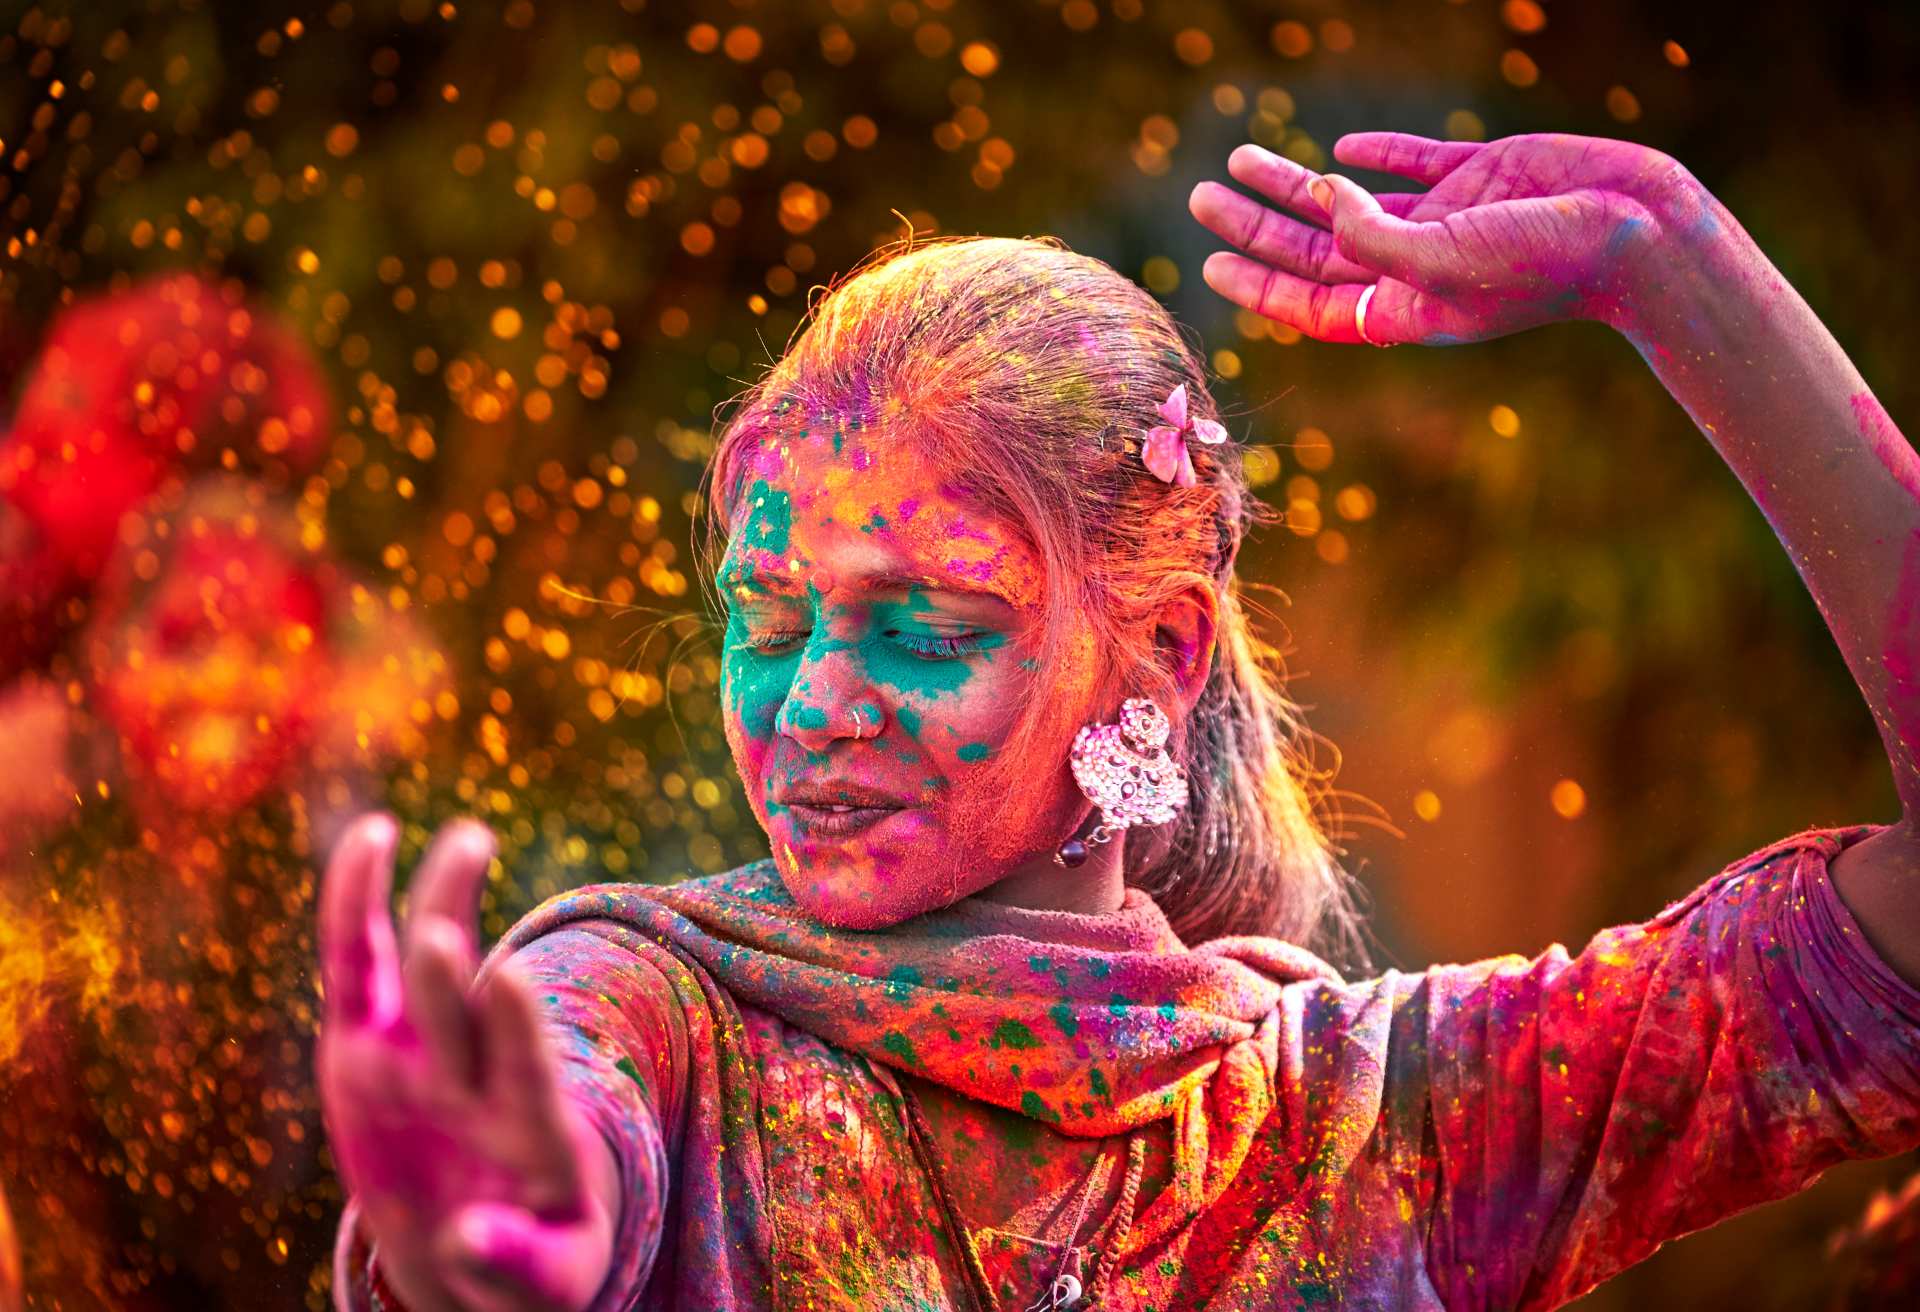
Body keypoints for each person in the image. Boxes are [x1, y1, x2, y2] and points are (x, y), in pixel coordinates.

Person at [318, 130, 1920, 1312]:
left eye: (926, 625)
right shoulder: (647, 1017)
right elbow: (552, 1152)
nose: (810, 701)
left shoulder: (1375, 1125)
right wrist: (497, 1237)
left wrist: (1672, 260)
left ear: (1155, 656)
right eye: (772, 618)